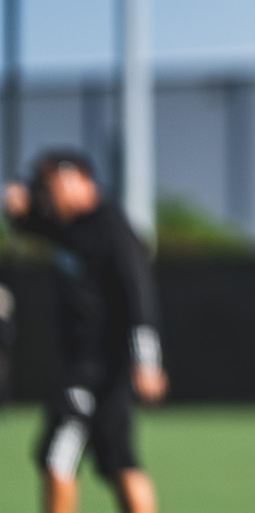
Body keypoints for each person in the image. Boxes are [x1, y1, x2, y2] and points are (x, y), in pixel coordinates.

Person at [3, 150, 165, 513]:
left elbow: (137, 293)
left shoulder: (110, 226)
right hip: (86, 366)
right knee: (118, 461)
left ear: (78, 179)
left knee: (56, 456)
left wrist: (147, 359)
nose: (44, 195)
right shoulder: (70, 228)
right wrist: (16, 211)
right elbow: (31, 223)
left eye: (48, 186)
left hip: (97, 369)